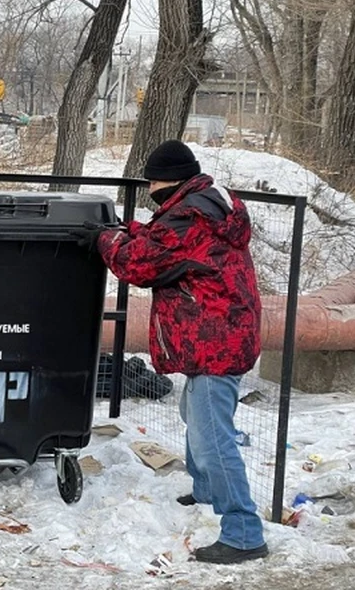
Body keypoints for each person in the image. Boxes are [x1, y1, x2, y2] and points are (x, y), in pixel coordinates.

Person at [73, 139, 267, 564]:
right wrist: (128, 231)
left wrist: (107, 240)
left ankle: (244, 533)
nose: (149, 190)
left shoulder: (190, 217)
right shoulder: (207, 207)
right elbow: (166, 242)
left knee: (212, 436)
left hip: (216, 341)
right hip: (223, 334)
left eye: (152, 183)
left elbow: (138, 265)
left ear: (166, 180)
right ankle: (205, 491)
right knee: (194, 416)